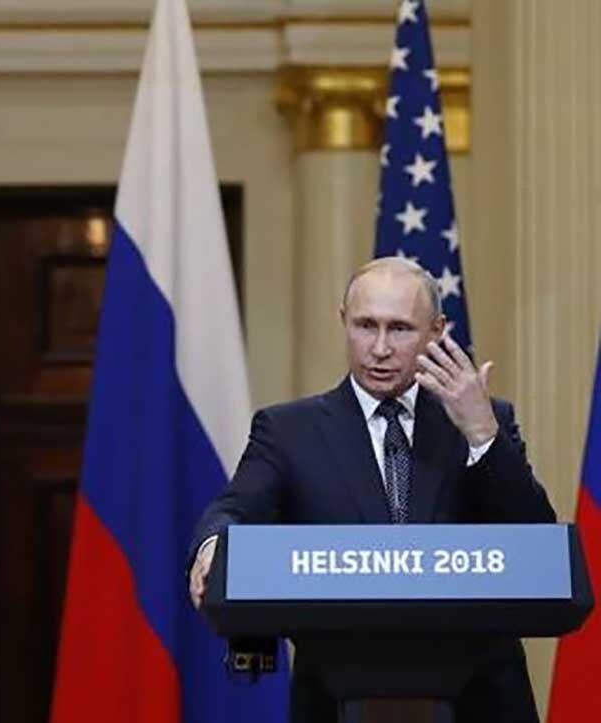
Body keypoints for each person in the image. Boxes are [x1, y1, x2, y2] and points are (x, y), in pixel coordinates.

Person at [187, 257, 555, 723]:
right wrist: (213, 544)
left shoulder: (485, 420)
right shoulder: (288, 430)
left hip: (479, 700)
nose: (379, 348)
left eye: (399, 329)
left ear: (437, 330)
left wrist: (482, 435)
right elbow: (232, 510)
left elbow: (536, 544)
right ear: (344, 321)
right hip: (337, 699)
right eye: (365, 326)